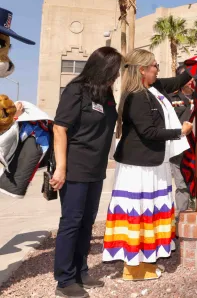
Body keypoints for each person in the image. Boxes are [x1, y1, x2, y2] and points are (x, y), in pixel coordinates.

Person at [102, 49, 193, 281]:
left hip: (153, 163)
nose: (158, 68)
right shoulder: (136, 96)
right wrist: (179, 132)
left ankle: (143, 263)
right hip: (139, 168)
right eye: (154, 65)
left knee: (149, 214)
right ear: (142, 70)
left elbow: (179, 79)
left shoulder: (155, 88)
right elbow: (148, 131)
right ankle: (133, 268)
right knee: (139, 214)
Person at [52, 47, 122, 298]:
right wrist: (61, 168)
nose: (116, 76)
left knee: (86, 223)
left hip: (96, 168)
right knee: (71, 222)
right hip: (75, 168)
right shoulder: (76, 90)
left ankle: (80, 270)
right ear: (103, 68)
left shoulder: (106, 94)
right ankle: (64, 279)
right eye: (113, 71)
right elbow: (59, 128)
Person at [169, 66, 197, 223]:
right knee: (181, 185)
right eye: (188, 77)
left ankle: (195, 215)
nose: (192, 80)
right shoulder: (170, 98)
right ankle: (181, 219)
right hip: (178, 148)